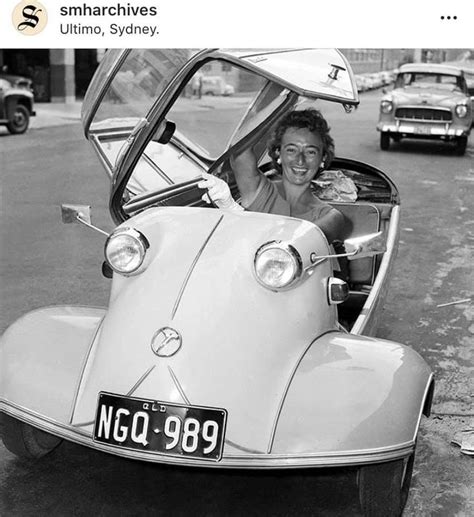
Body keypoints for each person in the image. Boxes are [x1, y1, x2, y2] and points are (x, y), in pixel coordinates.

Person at [199, 108, 346, 245]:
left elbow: (294, 244)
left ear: (322, 159)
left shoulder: (332, 217)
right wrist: (282, 102)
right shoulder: (261, 192)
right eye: (291, 150)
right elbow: (239, 149)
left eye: (310, 152)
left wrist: (233, 209)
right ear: (278, 153)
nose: (300, 160)